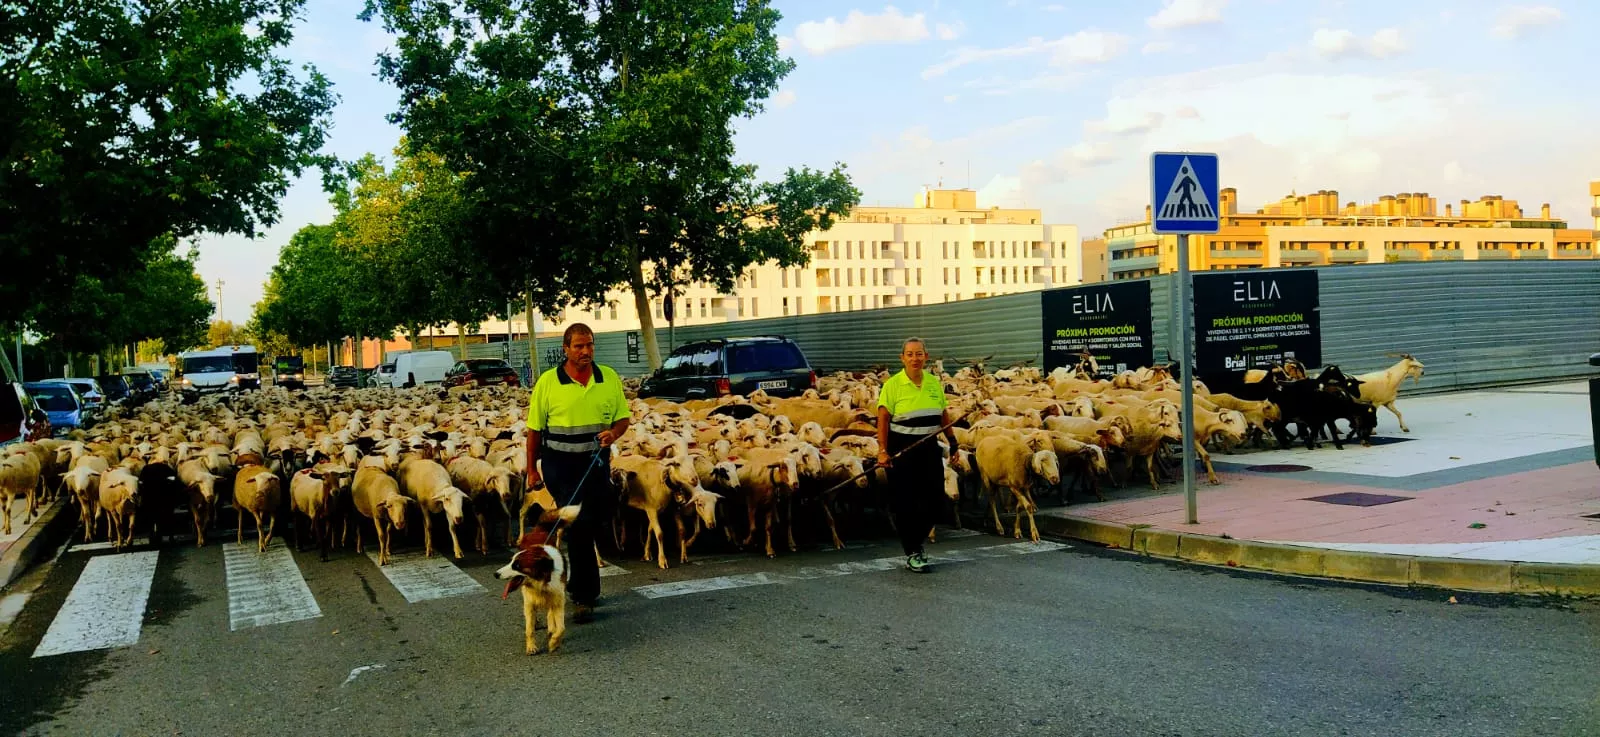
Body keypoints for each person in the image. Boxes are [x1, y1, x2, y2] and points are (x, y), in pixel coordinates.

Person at [525, 324, 631, 622]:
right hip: (560, 464)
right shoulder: (548, 383)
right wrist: (532, 469)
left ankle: (583, 587)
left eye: (590, 345)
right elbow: (534, 430)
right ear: (566, 349)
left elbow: (622, 418)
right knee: (579, 524)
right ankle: (583, 596)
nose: (586, 352)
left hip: (596, 463)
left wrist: (614, 433)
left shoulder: (607, 377)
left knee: (595, 521)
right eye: (579, 347)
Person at [875, 337, 960, 573]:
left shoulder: (933, 383)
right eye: (910, 354)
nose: (915, 358)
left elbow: (943, 414)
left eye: (919, 353)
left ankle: (915, 542)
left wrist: (953, 442)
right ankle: (913, 550)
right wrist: (882, 450)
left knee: (935, 501)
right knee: (905, 503)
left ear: (926, 356)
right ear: (902, 358)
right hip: (902, 448)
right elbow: (882, 418)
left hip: (929, 447)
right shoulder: (892, 385)